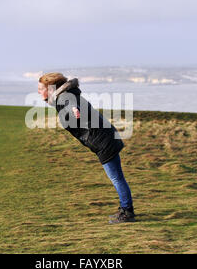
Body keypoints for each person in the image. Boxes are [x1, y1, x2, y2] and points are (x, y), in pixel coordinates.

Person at [37, 72, 135, 224]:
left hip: (104, 141)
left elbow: (71, 106)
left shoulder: (64, 97)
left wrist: (74, 111)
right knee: (117, 177)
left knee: (116, 178)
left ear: (50, 89)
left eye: (40, 88)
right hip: (104, 138)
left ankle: (127, 212)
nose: (38, 91)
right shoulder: (65, 95)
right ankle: (125, 209)